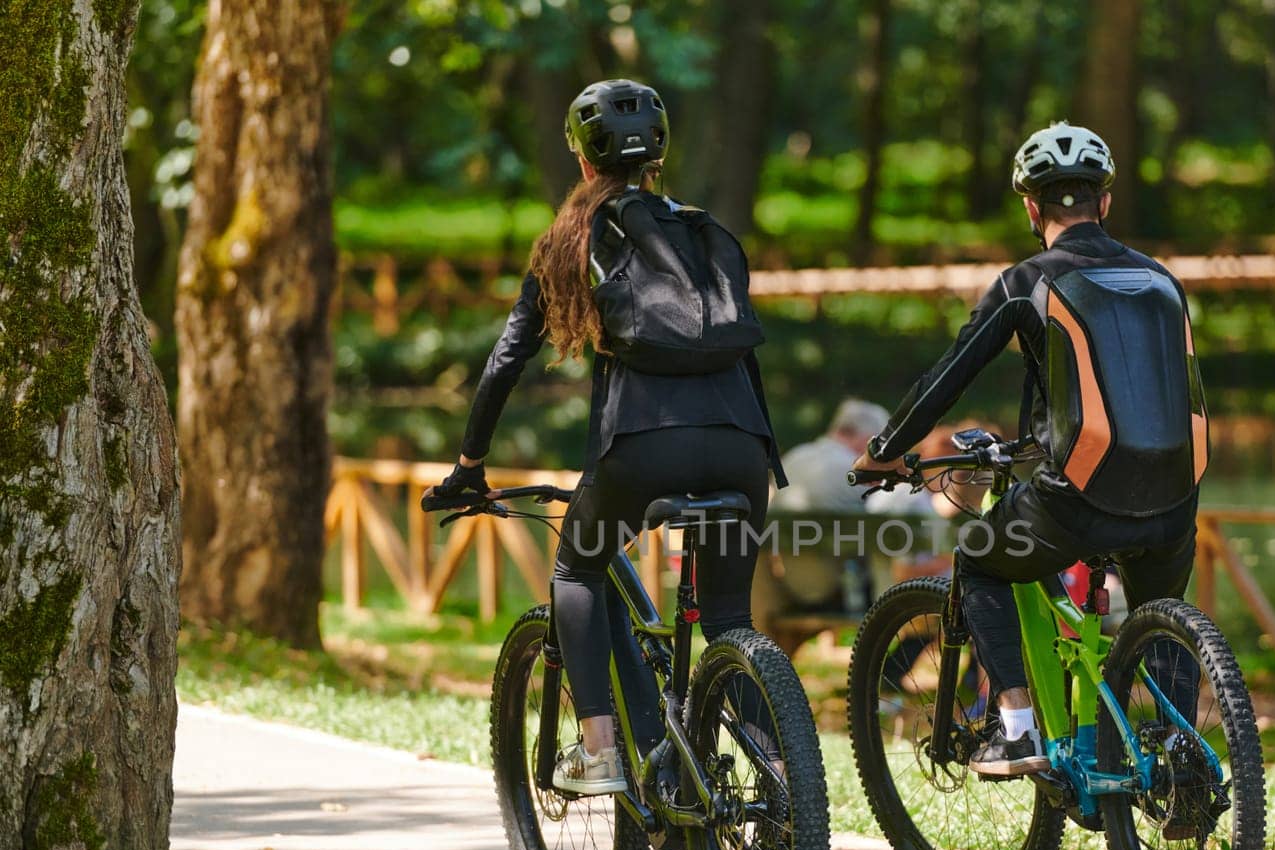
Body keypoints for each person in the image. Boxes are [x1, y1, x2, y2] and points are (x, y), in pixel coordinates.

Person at [425, 79, 785, 795]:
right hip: (744, 445)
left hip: (644, 444)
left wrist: (470, 463)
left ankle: (599, 750)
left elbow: (506, 360)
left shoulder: (574, 237)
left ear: (584, 161)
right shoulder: (702, 228)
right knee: (726, 616)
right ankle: (782, 777)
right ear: (657, 157)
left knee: (578, 571)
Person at [852, 121, 1209, 779]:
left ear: (1031, 207)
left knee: (978, 562)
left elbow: (948, 376)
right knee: (1166, 617)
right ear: (1104, 202)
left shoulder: (1027, 281)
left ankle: (1015, 729)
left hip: (1075, 500)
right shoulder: (1162, 281)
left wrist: (883, 450)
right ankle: (1180, 759)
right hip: (1173, 501)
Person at [770, 398, 890, 610]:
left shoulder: (793, 458)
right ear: (868, 439)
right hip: (840, 590)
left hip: (789, 583)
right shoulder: (856, 473)